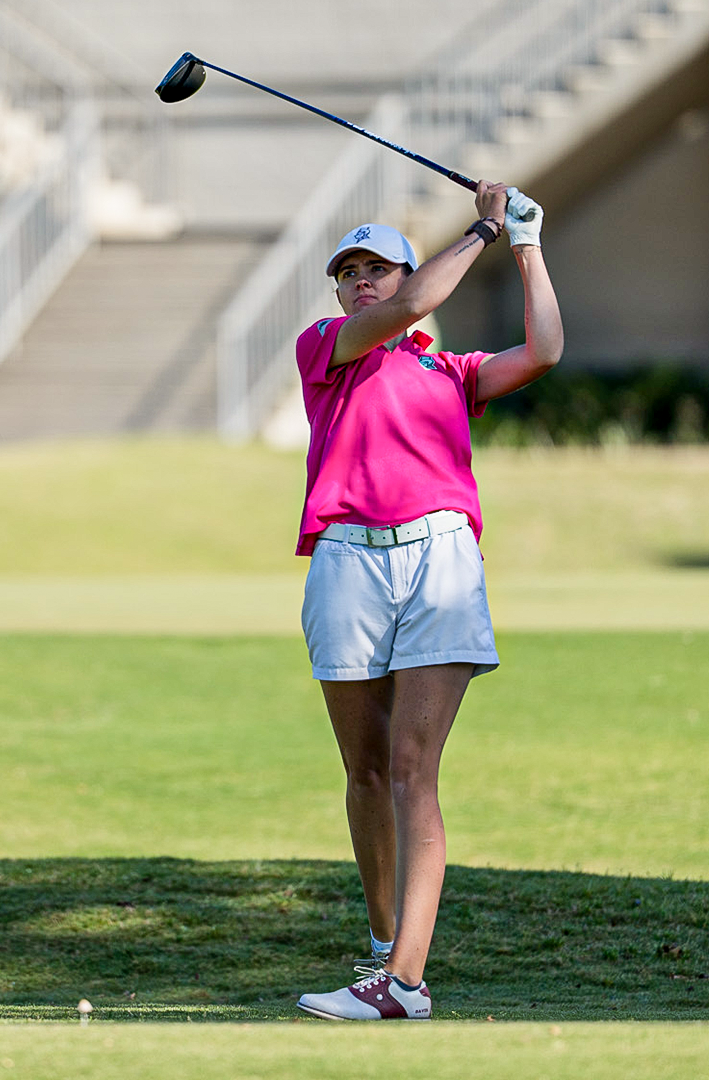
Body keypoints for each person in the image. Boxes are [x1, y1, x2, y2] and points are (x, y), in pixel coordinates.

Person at [291, 181, 562, 1021]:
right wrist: (482, 223)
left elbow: (544, 350)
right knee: (365, 771)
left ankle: (404, 982)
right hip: (347, 561)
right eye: (350, 273)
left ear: (405, 271)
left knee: (414, 772)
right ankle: (382, 947)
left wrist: (525, 245)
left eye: (379, 269)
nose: (364, 283)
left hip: (440, 559)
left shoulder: (451, 370)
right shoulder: (328, 347)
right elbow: (415, 301)